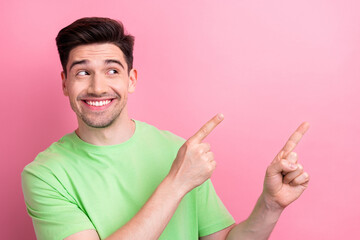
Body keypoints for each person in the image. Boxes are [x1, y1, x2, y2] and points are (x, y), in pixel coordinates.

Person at [21, 17, 310, 240]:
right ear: (65, 83)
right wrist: (178, 182)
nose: (98, 87)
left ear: (131, 80)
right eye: (82, 72)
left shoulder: (178, 151)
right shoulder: (46, 174)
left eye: (112, 71)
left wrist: (270, 205)